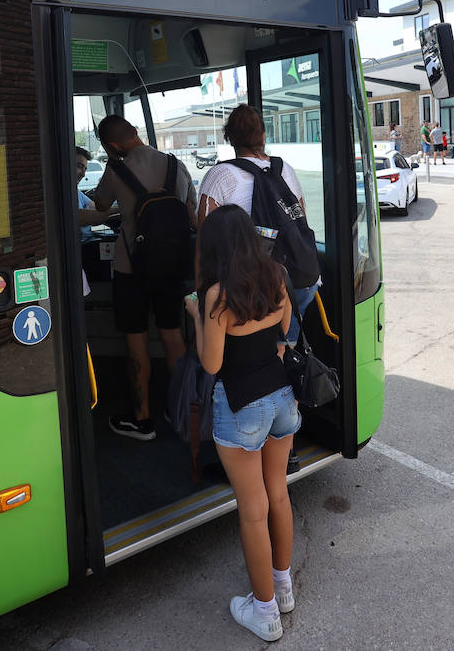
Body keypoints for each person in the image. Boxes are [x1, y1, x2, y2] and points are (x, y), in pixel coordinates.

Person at [184, 204, 299, 642]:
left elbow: (211, 363)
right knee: (279, 495)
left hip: (242, 408)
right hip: (283, 400)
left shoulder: (217, 296)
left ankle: (265, 612)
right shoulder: (275, 275)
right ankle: (283, 587)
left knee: (253, 512)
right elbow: (286, 334)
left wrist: (196, 316)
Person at [92, 115, 198, 441]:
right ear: (135, 133)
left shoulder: (115, 169)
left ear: (112, 145)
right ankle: (181, 411)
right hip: (172, 267)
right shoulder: (175, 165)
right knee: (173, 337)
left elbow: (99, 205)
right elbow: (191, 214)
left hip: (131, 270)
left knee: (136, 343)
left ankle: (141, 419)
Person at [198, 104, 318, 343]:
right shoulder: (286, 170)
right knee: (288, 350)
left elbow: (206, 241)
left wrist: (202, 294)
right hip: (301, 280)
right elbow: (301, 217)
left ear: (230, 138)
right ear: (263, 136)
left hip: (249, 289)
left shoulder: (219, 176)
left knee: (256, 357)